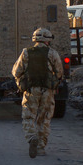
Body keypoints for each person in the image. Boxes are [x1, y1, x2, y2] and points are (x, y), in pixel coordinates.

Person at [12, 28, 63, 158]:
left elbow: (16, 72)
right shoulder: (52, 53)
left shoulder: (26, 52)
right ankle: (40, 148)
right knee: (44, 118)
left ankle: (31, 137)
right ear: (48, 40)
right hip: (47, 90)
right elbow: (59, 73)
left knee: (29, 117)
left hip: (31, 90)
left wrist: (20, 81)